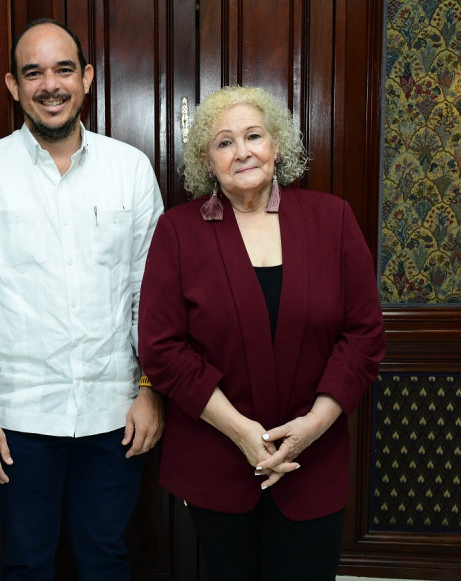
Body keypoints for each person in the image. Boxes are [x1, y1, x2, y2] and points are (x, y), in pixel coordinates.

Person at [0, 18, 165, 581]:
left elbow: (154, 297)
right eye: (33, 72)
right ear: (13, 86)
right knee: (25, 567)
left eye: (64, 69)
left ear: (86, 78)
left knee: (106, 562)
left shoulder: (131, 170)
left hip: (115, 415)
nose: (51, 84)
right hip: (18, 419)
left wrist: (151, 394)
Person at [138, 85, 386, 580]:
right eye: (224, 142)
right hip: (217, 462)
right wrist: (242, 433)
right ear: (208, 162)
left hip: (312, 463)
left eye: (254, 136)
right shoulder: (178, 231)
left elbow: (364, 334)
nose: (242, 151)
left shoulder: (332, 219)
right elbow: (162, 348)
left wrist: (311, 427)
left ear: (277, 147)